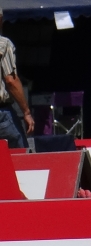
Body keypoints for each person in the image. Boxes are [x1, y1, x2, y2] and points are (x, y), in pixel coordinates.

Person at [0, 8, 34, 148]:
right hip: (1, 113)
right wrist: (26, 112)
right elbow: (11, 80)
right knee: (19, 154)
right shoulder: (3, 44)